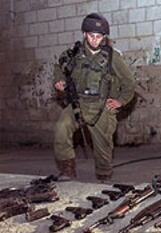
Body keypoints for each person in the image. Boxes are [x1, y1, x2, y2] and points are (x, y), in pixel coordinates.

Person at [53, 13, 135, 181]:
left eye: (99, 37)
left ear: (104, 37)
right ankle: (67, 170)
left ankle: (104, 176)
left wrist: (120, 101)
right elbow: (59, 67)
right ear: (84, 34)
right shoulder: (73, 54)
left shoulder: (113, 57)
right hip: (79, 104)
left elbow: (129, 83)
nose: (95, 40)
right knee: (61, 128)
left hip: (102, 106)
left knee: (103, 146)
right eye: (92, 36)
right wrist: (59, 80)